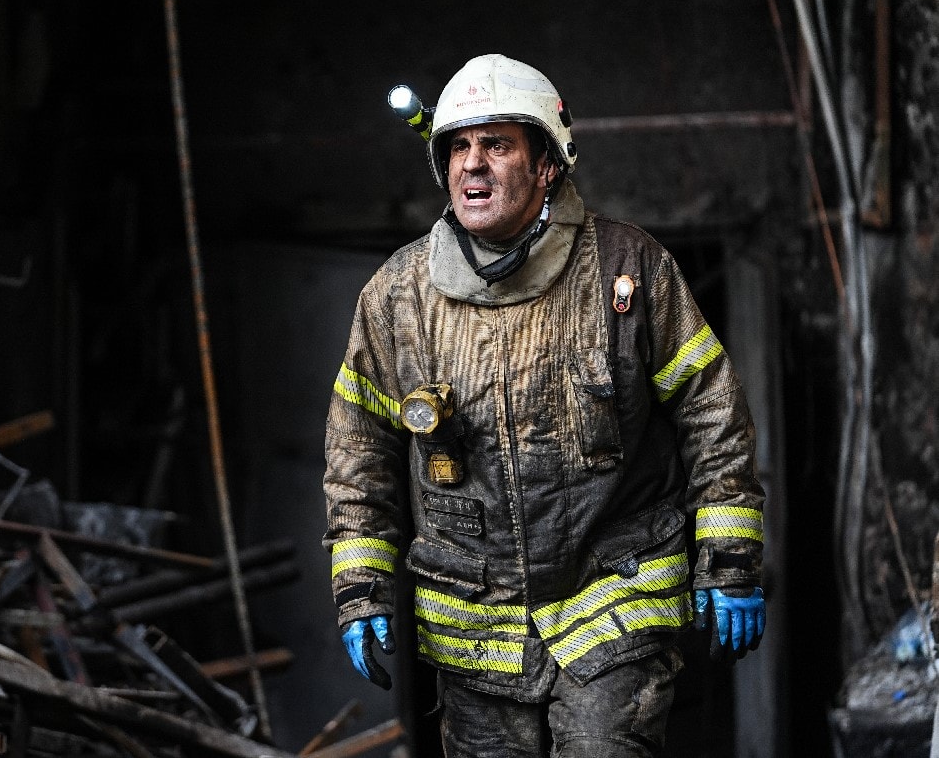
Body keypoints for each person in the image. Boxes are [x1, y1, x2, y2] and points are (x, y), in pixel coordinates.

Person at [322, 53, 766, 757]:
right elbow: (359, 450)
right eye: (459, 148)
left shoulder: (628, 269)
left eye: (497, 144)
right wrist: (361, 584)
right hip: (475, 629)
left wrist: (731, 558)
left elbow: (711, 412)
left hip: (614, 604)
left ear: (548, 166)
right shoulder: (398, 296)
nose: (473, 164)